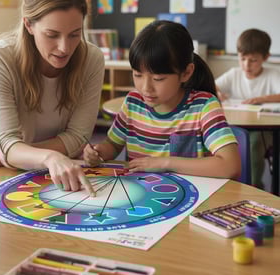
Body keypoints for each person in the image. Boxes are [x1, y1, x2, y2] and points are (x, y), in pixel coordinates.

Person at [0, 0, 105, 197]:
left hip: (11, 156)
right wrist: (43, 156)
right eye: (52, 35)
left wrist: (9, 154)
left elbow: (78, 136)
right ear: (28, 24)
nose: (64, 48)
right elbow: (8, 141)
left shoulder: (92, 59)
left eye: (75, 35)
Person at [84, 20, 241, 179]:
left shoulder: (204, 106)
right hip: (143, 194)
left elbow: (230, 166)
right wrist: (98, 152)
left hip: (194, 197)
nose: (146, 88)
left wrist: (164, 163)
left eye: (158, 79)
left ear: (186, 73)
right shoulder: (133, 103)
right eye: (137, 75)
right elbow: (112, 145)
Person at [216, 28, 280, 189]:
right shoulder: (234, 73)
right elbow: (213, 85)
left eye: (253, 60)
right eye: (243, 59)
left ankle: (254, 185)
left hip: (263, 130)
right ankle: (230, 183)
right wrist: (217, 92)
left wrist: (261, 99)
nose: (246, 65)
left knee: (253, 142)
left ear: (265, 57)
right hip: (236, 125)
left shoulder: (273, 74)